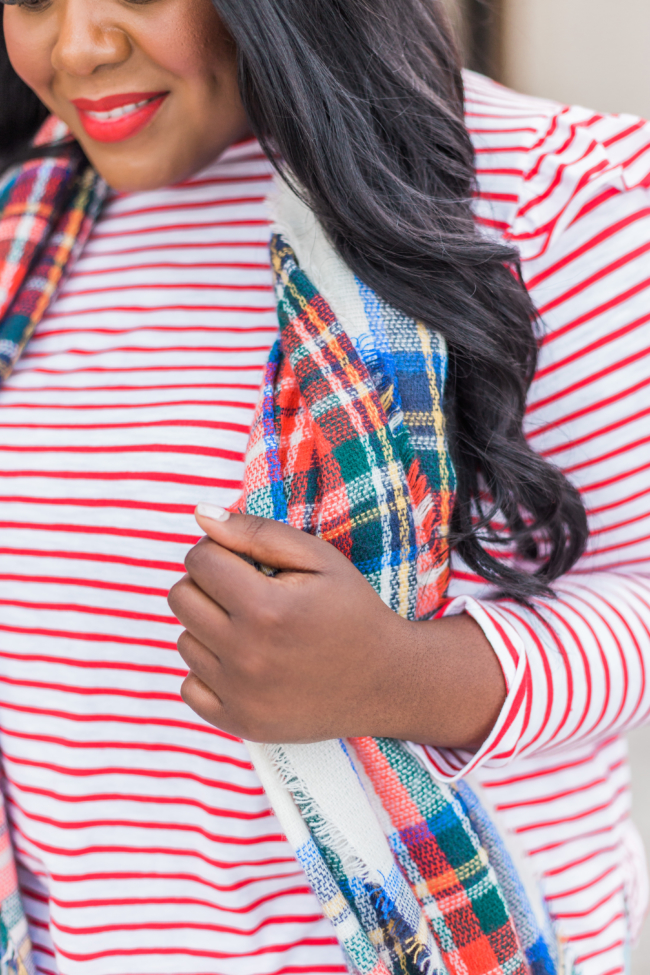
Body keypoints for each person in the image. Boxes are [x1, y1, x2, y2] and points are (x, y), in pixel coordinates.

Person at [0, 0, 649, 972]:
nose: (80, 46)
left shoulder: (564, 188)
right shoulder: (28, 223)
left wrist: (400, 676)